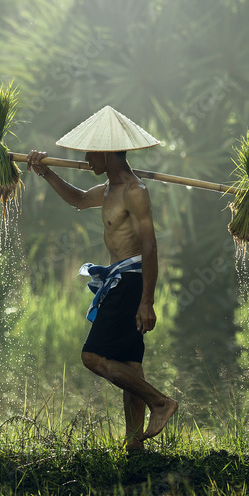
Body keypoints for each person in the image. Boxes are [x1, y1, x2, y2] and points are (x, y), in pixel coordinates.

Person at [26, 105, 178, 450]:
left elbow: (151, 246)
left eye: (89, 152)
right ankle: (134, 444)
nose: (84, 158)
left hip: (131, 282)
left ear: (106, 152)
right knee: (129, 366)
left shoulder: (134, 190)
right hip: (119, 279)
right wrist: (46, 173)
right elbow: (78, 200)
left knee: (92, 357)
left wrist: (147, 301)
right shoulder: (109, 188)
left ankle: (160, 402)